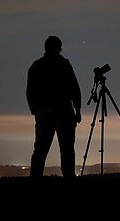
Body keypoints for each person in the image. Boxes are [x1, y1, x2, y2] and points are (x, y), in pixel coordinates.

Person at [27, 35, 82, 178]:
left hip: (45, 113)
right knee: (67, 149)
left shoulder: (36, 66)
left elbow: (30, 91)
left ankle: (35, 177)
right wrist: (78, 109)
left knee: (40, 149)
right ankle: (69, 176)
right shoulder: (64, 64)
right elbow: (74, 87)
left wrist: (36, 111)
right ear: (57, 48)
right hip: (63, 112)